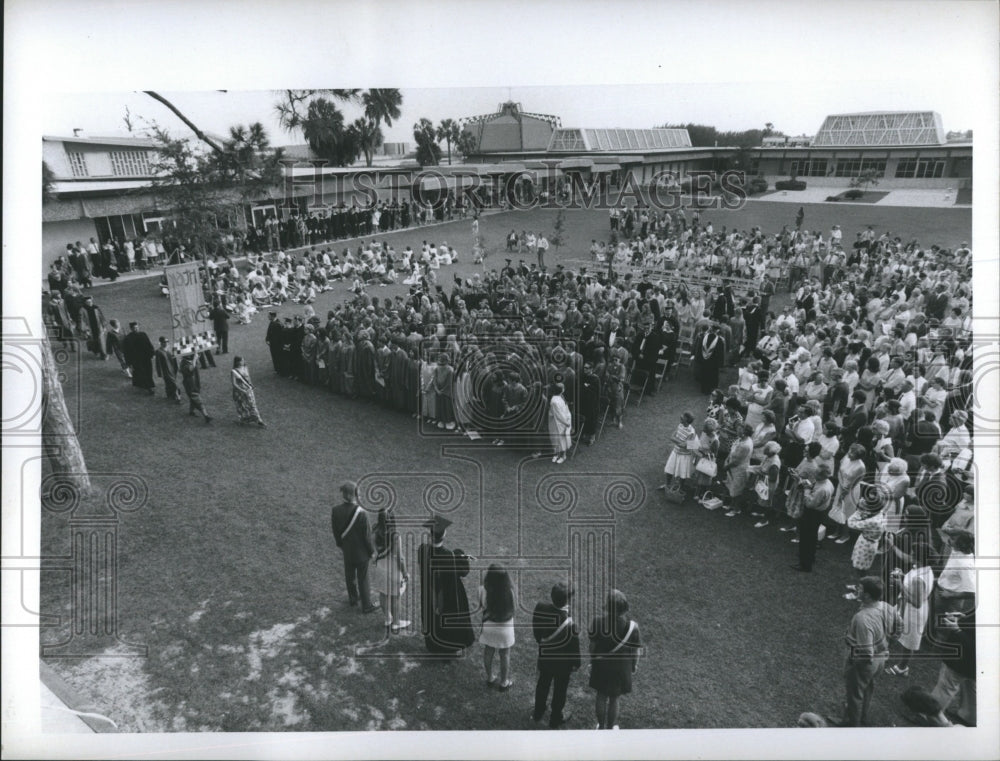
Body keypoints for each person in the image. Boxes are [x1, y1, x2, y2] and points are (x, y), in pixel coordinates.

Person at [828, 576, 901, 727]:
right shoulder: (887, 606)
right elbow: (900, 625)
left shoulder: (862, 618)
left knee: (854, 695)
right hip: (880, 660)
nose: (857, 590)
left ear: (867, 595)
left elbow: (866, 653)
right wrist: (889, 642)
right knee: (867, 689)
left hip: (865, 662)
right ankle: (863, 718)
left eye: (859, 589)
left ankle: (852, 725)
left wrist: (854, 664)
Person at [418, 515, 475, 656]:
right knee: (449, 619)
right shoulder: (449, 556)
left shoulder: (422, 550)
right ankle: (450, 648)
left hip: (429, 594)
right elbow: (464, 571)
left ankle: (434, 645)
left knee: (433, 619)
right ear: (444, 535)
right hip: (448, 595)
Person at [588, 589, 641, 730]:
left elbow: (592, 646)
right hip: (621, 668)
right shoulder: (633, 627)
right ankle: (611, 728)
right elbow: (635, 651)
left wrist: (592, 661)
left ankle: (601, 727)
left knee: (601, 695)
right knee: (614, 698)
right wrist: (634, 666)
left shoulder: (597, 622)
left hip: (601, 665)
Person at [532, 582, 581, 729]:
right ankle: (555, 718)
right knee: (560, 690)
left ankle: (538, 712)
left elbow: (537, 631)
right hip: (562, 664)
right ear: (567, 600)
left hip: (545, 657)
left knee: (542, 685)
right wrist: (576, 663)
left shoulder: (540, 607)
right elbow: (574, 646)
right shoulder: (570, 623)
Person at [885, 539, 934, 678]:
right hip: (905, 606)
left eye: (913, 553)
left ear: (918, 557)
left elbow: (916, 602)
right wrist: (902, 576)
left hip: (914, 612)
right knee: (892, 626)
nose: (911, 554)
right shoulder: (922, 568)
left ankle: (902, 667)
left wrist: (899, 584)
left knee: (908, 641)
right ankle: (884, 650)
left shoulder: (920, 578)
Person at [330, 481, 378, 614]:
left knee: (349, 574)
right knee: (363, 578)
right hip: (362, 553)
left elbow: (336, 531)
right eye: (357, 494)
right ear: (351, 495)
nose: (359, 496)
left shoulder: (336, 510)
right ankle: (367, 605)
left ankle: (353, 598)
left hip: (347, 550)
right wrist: (372, 552)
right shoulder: (362, 513)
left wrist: (341, 545)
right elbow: (367, 536)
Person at [929, 608, 977, 726]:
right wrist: (964, 617)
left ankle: (930, 715)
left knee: (946, 685)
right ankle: (969, 716)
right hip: (976, 662)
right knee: (971, 686)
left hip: (963, 657)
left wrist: (957, 629)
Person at [370, 499, 410, 634]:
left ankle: (387, 618)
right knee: (395, 597)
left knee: (383, 594)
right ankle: (396, 623)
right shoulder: (395, 536)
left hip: (380, 569)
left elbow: (373, 549)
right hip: (393, 571)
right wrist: (405, 573)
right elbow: (400, 558)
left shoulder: (374, 530)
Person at [790, 461, 834, 572]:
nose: (814, 475)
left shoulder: (822, 489)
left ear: (821, 475)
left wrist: (806, 490)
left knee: (806, 538)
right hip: (818, 514)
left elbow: (809, 503)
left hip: (812, 513)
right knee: (812, 538)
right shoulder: (827, 483)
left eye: (816, 474)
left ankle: (805, 564)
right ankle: (810, 557)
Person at [479, 564, 516, 691]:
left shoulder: (482, 589)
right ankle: (504, 682)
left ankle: (490, 678)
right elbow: (514, 609)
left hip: (489, 625)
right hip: (506, 627)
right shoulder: (510, 591)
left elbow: (481, 606)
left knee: (488, 650)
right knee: (505, 654)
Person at [121, 321, 156, 394]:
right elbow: (126, 352)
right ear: (131, 329)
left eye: (137, 327)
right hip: (136, 359)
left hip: (146, 357)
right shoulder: (128, 338)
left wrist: (152, 353)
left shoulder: (143, 334)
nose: (136, 329)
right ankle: (149, 387)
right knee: (141, 372)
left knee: (148, 371)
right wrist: (129, 362)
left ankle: (142, 384)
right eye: (134, 328)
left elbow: (149, 344)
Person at [231, 356, 266, 427]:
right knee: (242, 405)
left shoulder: (245, 368)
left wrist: (251, 385)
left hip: (248, 389)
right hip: (239, 391)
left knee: (252, 404)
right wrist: (242, 390)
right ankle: (244, 419)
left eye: (243, 360)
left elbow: (248, 378)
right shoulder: (233, 371)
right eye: (241, 361)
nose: (243, 362)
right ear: (237, 362)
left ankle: (259, 420)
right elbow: (234, 384)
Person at [180, 351, 212, 423]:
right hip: (190, 384)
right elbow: (191, 368)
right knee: (197, 398)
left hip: (194, 382)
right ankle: (206, 416)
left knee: (193, 398)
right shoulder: (183, 363)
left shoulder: (187, 360)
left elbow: (195, 363)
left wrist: (197, 356)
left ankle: (191, 411)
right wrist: (195, 358)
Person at [548, 383, 572, 464]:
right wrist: (566, 422)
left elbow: (565, 409)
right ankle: (557, 454)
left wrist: (567, 422)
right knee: (555, 438)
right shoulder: (554, 400)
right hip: (556, 422)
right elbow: (558, 415)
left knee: (562, 438)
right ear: (561, 390)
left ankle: (563, 456)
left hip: (563, 421)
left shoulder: (561, 397)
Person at [154, 337, 182, 404]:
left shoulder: (169, 350)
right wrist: (160, 373)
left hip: (172, 369)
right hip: (165, 370)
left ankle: (170, 394)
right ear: (160, 343)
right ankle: (178, 397)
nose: (166, 343)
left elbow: (174, 359)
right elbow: (158, 363)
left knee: (169, 383)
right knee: (174, 384)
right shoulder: (158, 352)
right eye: (164, 342)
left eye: (167, 342)